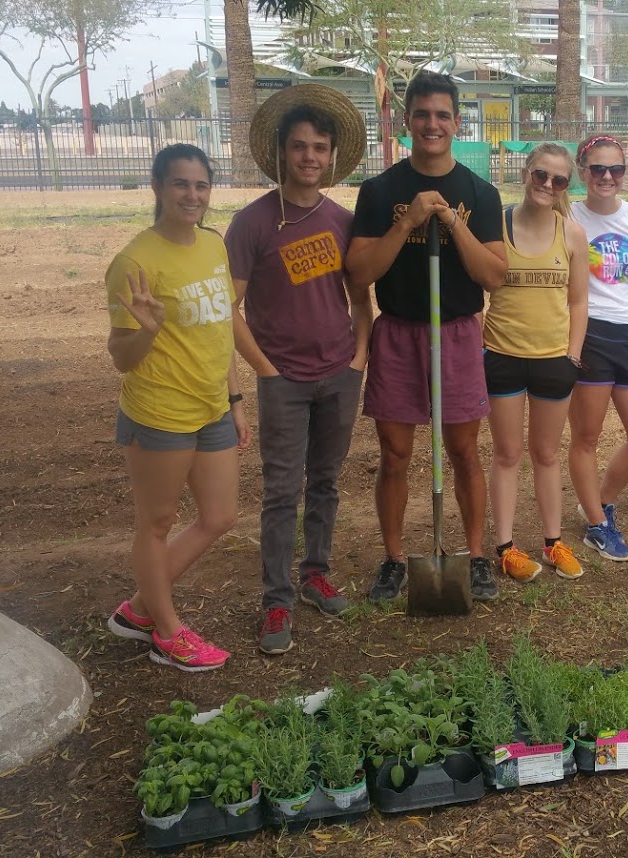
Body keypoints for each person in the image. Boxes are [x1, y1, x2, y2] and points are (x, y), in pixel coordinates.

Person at [345, 72, 507, 602]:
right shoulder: (380, 190)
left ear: (457, 122)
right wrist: (408, 220)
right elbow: (361, 272)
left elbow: (494, 275)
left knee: (464, 449)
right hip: (399, 332)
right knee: (394, 453)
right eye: (422, 114)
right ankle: (393, 560)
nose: (432, 124)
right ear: (406, 121)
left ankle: (476, 556)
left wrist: (453, 224)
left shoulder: (480, 194)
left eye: (442, 115)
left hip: (457, 332)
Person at [226, 86, 372, 654]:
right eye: (299, 147)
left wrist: (358, 357)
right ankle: (276, 602)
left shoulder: (342, 221)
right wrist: (264, 370)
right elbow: (228, 307)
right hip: (282, 379)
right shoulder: (254, 223)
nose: (309, 157)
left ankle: (315, 574)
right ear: (282, 153)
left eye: (319, 147)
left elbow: (361, 300)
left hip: (339, 372)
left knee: (326, 483)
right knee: (282, 492)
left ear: (331, 155)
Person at [104, 143, 248, 672]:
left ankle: (139, 608)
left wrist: (234, 399)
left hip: (211, 405)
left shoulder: (213, 245)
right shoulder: (135, 263)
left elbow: (220, 330)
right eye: (180, 184)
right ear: (159, 188)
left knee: (220, 516)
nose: (192, 195)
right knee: (157, 522)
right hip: (160, 411)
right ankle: (167, 631)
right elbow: (122, 358)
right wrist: (146, 330)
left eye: (201, 185)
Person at [483, 143, 590, 583]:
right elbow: (478, 289)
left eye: (558, 179)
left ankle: (552, 542)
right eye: (540, 175)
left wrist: (573, 355)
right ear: (526, 173)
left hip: (553, 359)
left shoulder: (572, 233)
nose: (547, 185)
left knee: (546, 454)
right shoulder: (498, 225)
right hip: (503, 355)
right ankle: (506, 548)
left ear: (567, 184)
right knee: (507, 454)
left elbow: (580, 300)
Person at [568, 134, 628, 562]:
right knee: (586, 437)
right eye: (598, 169)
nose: (607, 177)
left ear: (626, 173)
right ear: (582, 171)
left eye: (616, 169)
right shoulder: (569, 219)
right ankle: (596, 522)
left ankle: (600, 498)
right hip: (588, 335)